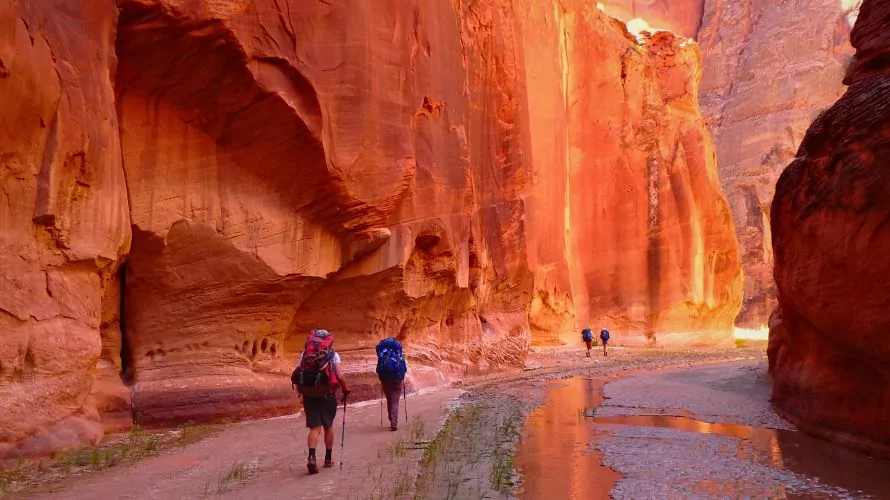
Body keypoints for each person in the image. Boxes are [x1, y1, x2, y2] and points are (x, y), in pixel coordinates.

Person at [292, 328, 350, 474]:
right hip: (327, 394)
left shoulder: (305, 354)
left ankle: (312, 457)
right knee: (328, 426)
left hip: (309, 395)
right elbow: (340, 375)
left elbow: (299, 373)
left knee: (314, 428)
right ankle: (328, 459)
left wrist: (301, 392)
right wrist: (345, 389)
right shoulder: (333, 355)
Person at [375, 337, 408, 431]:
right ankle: (394, 422)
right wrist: (401, 375)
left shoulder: (382, 355)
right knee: (395, 401)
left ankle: (391, 419)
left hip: (385, 380)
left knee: (389, 400)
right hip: (397, 380)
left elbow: (378, 369)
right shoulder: (398, 355)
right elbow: (404, 368)